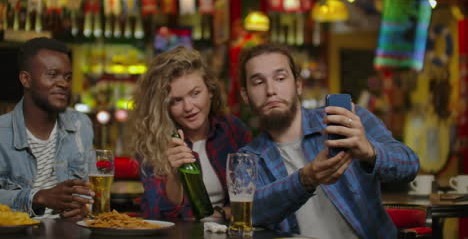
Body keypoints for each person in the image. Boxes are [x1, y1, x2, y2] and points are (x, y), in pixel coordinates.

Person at [237, 43, 419, 239]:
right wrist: (306, 179)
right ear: (246, 96)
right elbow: (252, 213)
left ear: (298, 85)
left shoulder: (349, 120)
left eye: (280, 78)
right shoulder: (247, 158)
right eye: (258, 82)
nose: (271, 90)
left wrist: (370, 151)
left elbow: (410, 164)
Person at [129, 46, 251, 220]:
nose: (188, 107)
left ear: (210, 90)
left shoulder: (232, 129)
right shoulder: (152, 141)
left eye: (195, 94)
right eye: (176, 100)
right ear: (164, 107)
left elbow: (254, 196)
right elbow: (159, 215)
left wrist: (222, 213)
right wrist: (173, 175)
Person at [0, 37, 94, 221]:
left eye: (67, 77)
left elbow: (89, 188)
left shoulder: (80, 124)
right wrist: (37, 197)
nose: (64, 83)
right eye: (52, 75)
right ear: (26, 79)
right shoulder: (2, 132)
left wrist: (86, 208)